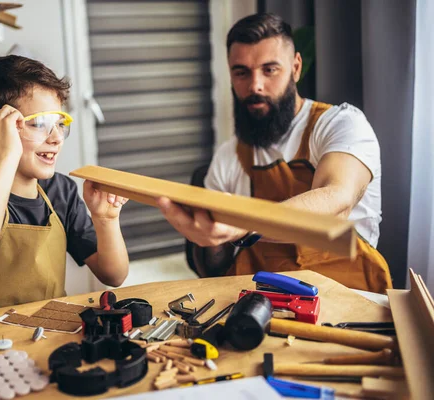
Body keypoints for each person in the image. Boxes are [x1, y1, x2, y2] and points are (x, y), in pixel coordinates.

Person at [158, 13, 392, 293]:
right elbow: (214, 268)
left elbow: (336, 202)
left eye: (269, 70)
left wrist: (245, 226)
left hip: (349, 295)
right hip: (258, 302)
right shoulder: (228, 155)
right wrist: (209, 236)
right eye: (241, 72)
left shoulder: (340, 125)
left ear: (295, 68)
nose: (255, 86)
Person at [0, 55, 129, 313]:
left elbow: (114, 276)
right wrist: (7, 155)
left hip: (50, 327)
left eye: (60, 124)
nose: (56, 139)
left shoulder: (60, 191)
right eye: (40, 124)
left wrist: (106, 220)